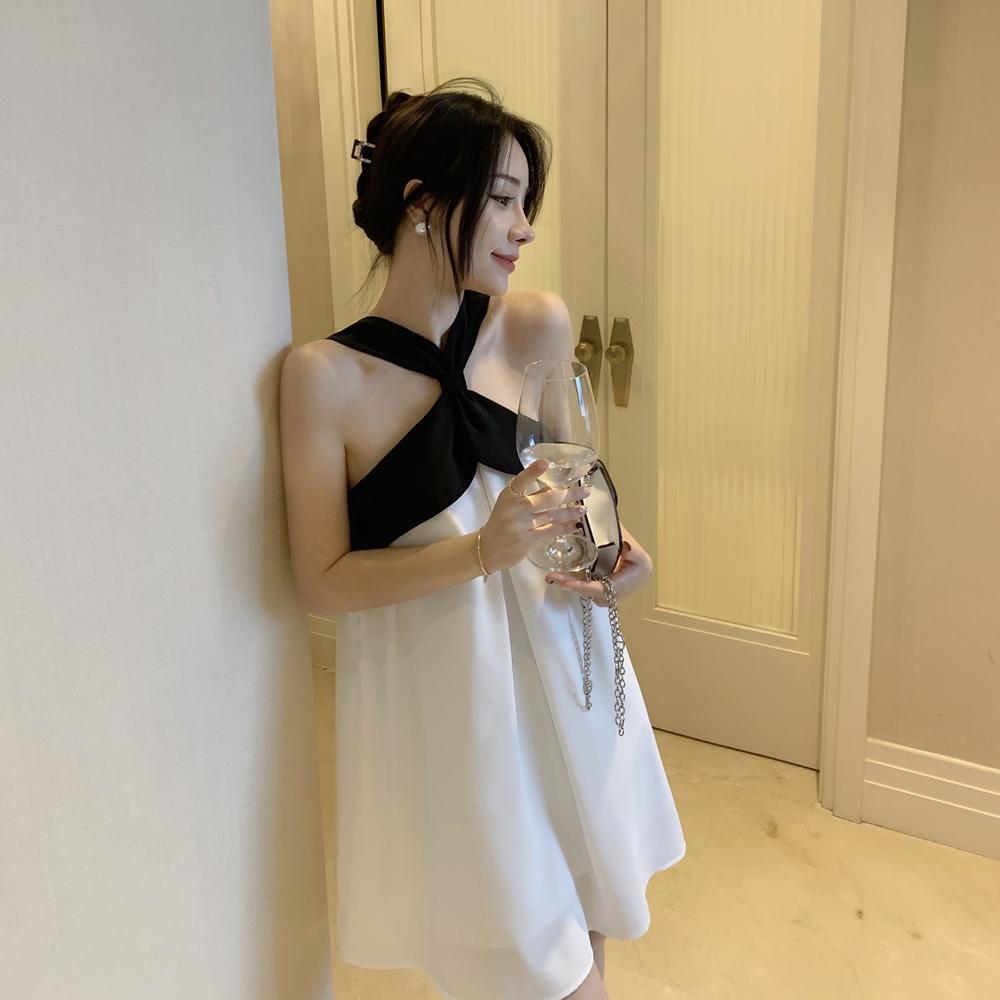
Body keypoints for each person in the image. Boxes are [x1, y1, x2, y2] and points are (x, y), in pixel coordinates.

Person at [279, 77, 685, 1000]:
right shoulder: (324, 378)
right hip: (458, 702)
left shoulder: (535, 325)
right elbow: (319, 580)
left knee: (589, 901)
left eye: (524, 201)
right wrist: (477, 553)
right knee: (527, 952)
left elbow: (575, 486)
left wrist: (614, 551)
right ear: (422, 203)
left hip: (568, 666)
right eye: (502, 198)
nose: (524, 226)